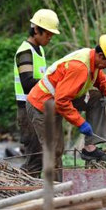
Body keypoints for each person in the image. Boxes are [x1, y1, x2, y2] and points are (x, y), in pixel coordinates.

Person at [26, 34, 106, 177]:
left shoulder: (92, 60)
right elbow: (61, 102)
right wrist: (81, 123)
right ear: (100, 55)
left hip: (57, 99)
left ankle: (90, 147)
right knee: (55, 151)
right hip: (42, 105)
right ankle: (56, 191)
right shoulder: (79, 68)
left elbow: (101, 80)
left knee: (96, 98)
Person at [13, 9, 61, 176]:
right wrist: (53, 84)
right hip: (27, 110)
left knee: (45, 155)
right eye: (47, 34)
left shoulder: (38, 50)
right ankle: (22, 195)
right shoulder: (25, 52)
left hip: (39, 107)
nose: (49, 38)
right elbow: (27, 83)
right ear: (36, 30)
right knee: (34, 159)